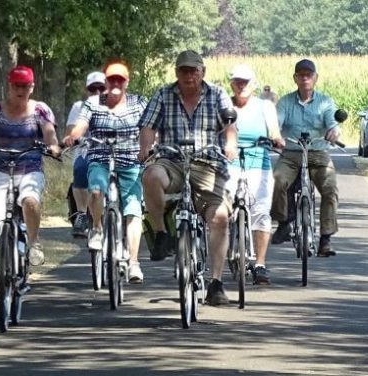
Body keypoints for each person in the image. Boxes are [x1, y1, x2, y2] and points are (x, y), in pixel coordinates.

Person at [137, 50, 237, 305]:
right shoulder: (163, 94)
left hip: (207, 163)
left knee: (221, 218)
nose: (189, 75)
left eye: (194, 70)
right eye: (183, 70)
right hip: (172, 160)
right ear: (176, 73)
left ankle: (216, 282)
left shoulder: (217, 94)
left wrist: (230, 144)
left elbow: (230, 125)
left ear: (203, 72)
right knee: (151, 175)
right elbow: (148, 125)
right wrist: (146, 149)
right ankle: (161, 233)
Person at [0, 65, 61, 314]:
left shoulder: (40, 109)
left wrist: (52, 147)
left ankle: (34, 243)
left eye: (25, 86)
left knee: (30, 200)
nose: (20, 90)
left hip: (30, 169)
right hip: (0, 171)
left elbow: (49, 134)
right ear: (9, 86)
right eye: (16, 85)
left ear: (32, 87)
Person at [63, 61, 148, 284]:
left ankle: (134, 262)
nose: (116, 83)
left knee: (133, 209)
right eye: (112, 80)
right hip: (100, 156)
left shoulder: (138, 102)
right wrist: (74, 136)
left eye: (120, 79)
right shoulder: (93, 103)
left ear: (127, 81)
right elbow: (82, 124)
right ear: (106, 82)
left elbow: (149, 126)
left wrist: (149, 145)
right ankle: (98, 228)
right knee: (96, 191)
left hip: (130, 159)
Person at [270, 59, 341, 257]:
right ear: (295, 78)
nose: (305, 78)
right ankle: (284, 223)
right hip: (291, 153)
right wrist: (276, 136)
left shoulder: (325, 102)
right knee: (276, 179)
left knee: (330, 188)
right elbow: (277, 122)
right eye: (301, 75)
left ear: (315, 78)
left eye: (308, 75)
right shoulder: (285, 102)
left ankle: (325, 238)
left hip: (317, 153)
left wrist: (334, 131)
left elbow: (332, 122)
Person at [226, 64, 285, 285]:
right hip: (228, 165)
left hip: (257, 164)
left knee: (260, 212)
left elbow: (274, 130)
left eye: (246, 82)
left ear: (254, 84)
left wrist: (277, 140)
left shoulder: (265, 106)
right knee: (222, 211)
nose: (241, 85)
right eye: (238, 81)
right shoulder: (224, 104)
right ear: (231, 83)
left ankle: (259, 263)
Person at [66, 71, 106, 238]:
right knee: (80, 167)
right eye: (92, 89)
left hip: (109, 151)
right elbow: (70, 132)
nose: (97, 92)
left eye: (100, 88)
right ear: (86, 90)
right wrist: (76, 138)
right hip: (86, 150)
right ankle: (82, 214)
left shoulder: (114, 105)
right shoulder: (79, 106)